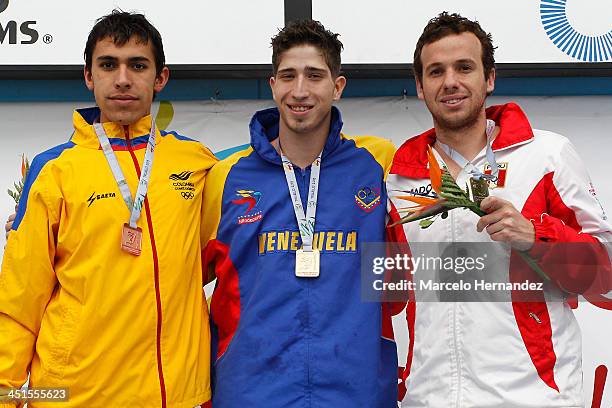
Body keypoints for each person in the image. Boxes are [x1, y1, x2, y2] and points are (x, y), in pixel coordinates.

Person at [386, 12, 612, 407]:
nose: (450, 81)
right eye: (436, 71)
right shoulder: (398, 178)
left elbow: (606, 277)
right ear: (420, 87)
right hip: (430, 398)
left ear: (489, 78)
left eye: (464, 67)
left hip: (532, 399)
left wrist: (536, 237)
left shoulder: (547, 155)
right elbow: (391, 294)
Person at [0, 11, 216, 407]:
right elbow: (16, 305)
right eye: (108, 65)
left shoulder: (197, 163)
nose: (122, 79)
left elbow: (219, 258)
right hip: (77, 396)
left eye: (137, 65)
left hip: (178, 395)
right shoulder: (55, 171)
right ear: (88, 76)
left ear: (160, 77)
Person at [201, 20, 398, 407]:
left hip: (355, 392)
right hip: (251, 392)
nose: (300, 91)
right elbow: (180, 284)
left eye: (315, 76)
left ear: (337, 86)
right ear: (272, 84)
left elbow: (423, 266)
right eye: (288, 76)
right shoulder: (226, 176)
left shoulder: (378, 166)